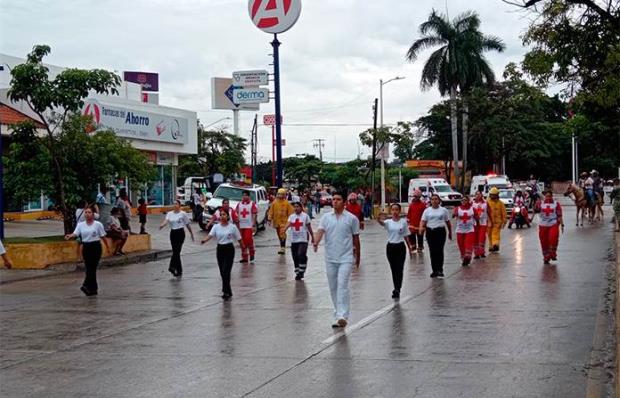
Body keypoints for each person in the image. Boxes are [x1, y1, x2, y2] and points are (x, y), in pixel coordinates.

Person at [312, 191, 360, 328]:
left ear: (344, 202)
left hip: (346, 257)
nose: (335, 201)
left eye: (338, 199)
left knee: (342, 285)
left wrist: (358, 257)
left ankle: (342, 315)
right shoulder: (326, 218)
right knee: (333, 287)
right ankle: (337, 314)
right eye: (333, 199)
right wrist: (315, 242)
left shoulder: (351, 219)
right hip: (330, 258)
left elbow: (356, 239)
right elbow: (320, 232)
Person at [64, 208, 110, 296]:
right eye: (86, 212)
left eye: (89, 212)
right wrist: (70, 235)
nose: (87, 214)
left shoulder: (98, 225)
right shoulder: (81, 225)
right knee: (89, 268)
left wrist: (107, 248)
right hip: (86, 247)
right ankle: (93, 289)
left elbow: (103, 236)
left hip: (95, 247)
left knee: (92, 268)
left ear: (93, 214)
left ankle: (85, 285)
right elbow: (76, 233)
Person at [201, 210, 244, 300]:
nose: (222, 216)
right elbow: (210, 235)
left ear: (228, 216)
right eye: (221, 215)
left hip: (229, 249)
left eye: (224, 214)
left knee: (226, 271)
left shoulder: (232, 227)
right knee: (222, 272)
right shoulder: (216, 227)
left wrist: (243, 248)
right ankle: (228, 290)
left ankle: (225, 291)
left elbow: (239, 239)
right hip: (220, 249)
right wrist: (204, 240)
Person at [378, 203, 411, 298]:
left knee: (399, 269)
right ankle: (395, 287)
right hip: (391, 247)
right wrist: (378, 218)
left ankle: (398, 288)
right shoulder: (388, 222)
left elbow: (406, 235)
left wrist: (409, 248)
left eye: (397, 210)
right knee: (393, 269)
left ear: (399, 211)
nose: (395, 212)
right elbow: (382, 223)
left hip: (400, 247)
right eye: (393, 210)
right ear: (391, 211)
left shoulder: (403, 222)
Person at [420, 194, 452, 278]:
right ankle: (434, 270)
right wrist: (421, 229)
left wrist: (450, 232)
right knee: (432, 251)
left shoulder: (443, 210)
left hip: (440, 231)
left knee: (439, 250)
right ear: (430, 201)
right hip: (430, 231)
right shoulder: (427, 211)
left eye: (436, 199)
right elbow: (423, 221)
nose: (434, 201)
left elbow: (448, 222)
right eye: (432, 199)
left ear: (439, 200)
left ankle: (440, 270)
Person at [159, 200, 194, 277]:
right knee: (176, 252)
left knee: (177, 251)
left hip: (180, 233)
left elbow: (187, 224)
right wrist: (162, 225)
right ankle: (179, 270)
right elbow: (166, 221)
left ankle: (171, 267)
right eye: (174, 204)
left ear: (179, 205)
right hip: (173, 233)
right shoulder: (170, 214)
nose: (175, 205)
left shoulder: (183, 214)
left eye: (176, 204)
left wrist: (191, 234)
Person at [284, 202, 314, 280]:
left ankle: (301, 271)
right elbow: (289, 223)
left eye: (297, 207)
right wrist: (284, 229)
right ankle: (297, 271)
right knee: (295, 257)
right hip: (294, 239)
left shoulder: (305, 216)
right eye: (295, 207)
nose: (296, 208)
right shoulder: (291, 216)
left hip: (303, 239)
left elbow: (309, 227)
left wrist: (312, 236)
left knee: (301, 254)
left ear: (301, 207)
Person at [537, 190, 564, 264]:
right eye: (546, 196)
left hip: (553, 224)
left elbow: (559, 215)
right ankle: (546, 257)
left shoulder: (556, 204)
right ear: (544, 196)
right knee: (544, 241)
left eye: (549, 196)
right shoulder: (540, 203)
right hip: (543, 225)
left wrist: (562, 224)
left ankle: (553, 254)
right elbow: (535, 210)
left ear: (552, 196)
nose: (548, 198)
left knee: (553, 238)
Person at [267, 188, 294, 255]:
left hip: (284, 222)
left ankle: (283, 248)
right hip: (276, 221)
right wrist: (269, 219)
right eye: (279, 194)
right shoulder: (274, 202)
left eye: (282, 194)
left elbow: (290, 212)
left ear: (284, 195)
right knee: (279, 234)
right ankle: (282, 246)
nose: (280, 195)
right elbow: (271, 211)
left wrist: (291, 220)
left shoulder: (286, 203)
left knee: (282, 233)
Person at [453, 195, 477, 266]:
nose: (464, 201)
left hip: (469, 230)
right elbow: (453, 215)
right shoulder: (457, 208)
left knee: (468, 244)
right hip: (460, 230)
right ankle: (464, 258)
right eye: (462, 200)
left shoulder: (472, 209)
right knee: (461, 245)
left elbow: (477, 217)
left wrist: (477, 225)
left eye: (465, 200)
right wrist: (455, 214)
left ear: (468, 201)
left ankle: (468, 257)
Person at [235, 191, 258, 263]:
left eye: (246, 195)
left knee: (248, 240)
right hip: (241, 226)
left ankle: (252, 254)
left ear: (249, 196)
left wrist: (254, 225)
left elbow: (254, 215)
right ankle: (244, 257)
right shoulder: (239, 204)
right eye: (243, 195)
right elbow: (236, 214)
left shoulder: (252, 204)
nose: (244, 197)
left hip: (249, 226)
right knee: (242, 241)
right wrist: (236, 223)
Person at [406, 189, 427, 255]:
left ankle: (420, 248)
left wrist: (425, 224)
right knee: (411, 237)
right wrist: (408, 222)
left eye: (417, 196)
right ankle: (413, 248)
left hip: (420, 225)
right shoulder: (411, 205)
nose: (415, 198)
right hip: (412, 225)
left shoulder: (423, 205)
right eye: (414, 196)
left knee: (420, 237)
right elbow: (409, 215)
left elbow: (425, 215)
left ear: (419, 197)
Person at [486, 187, 506, 252]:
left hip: (497, 223)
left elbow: (504, 213)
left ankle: (495, 245)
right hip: (489, 222)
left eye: (494, 194)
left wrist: (504, 222)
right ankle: (491, 246)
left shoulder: (500, 203)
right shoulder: (487, 202)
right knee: (489, 235)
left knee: (495, 234)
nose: (492, 196)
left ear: (497, 195)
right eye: (491, 194)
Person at [472, 191, 490, 259]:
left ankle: (482, 252)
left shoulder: (485, 203)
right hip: (474, 223)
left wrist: (490, 220)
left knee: (482, 238)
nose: (478, 195)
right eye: (476, 194)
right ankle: (476, 254)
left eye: (479, 194)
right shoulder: (472, 203)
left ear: (481, 195)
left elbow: (488, 211)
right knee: (475, 238)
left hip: (483, 223)